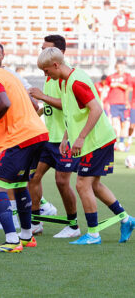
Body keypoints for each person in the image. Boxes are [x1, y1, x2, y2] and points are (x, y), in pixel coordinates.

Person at [38, 47, 134, 245]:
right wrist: (66, 137)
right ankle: (126, 219)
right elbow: (72, 113)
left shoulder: (76, 81)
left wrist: (80, 138)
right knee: (94, 185)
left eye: (47, 71)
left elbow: (96, 109)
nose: (46, 75)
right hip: (93, 140)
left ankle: (93, 234)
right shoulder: (65, 80)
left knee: (82, 184)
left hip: (97, 140)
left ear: (56, 65)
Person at [0, 45, 49, 253]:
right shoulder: (9, 75)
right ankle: (26, 236)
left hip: (19, 138)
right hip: (37, 134)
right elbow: (31, 103)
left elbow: (3, 102)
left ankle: (12, 241)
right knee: (19, 184)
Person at [28, 35, 81, 238]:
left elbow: (67, 105)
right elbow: (50, 105)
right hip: (47, 138)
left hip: (64, 139)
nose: (41, 52)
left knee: (61, 181)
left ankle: (73, 226)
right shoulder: (49, 74)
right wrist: (36, 113)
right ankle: (35, 222)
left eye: (45, 49)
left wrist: (41, 96)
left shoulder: (67, 75)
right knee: (33, 177)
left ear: (58, 53)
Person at [106, 60, 131, 151]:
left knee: (124, 124)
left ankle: (121, 141)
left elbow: (128, 88)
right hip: (113, 103)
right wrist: (105, 102)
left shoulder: (127, 77)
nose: (120, 69)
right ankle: (116, 142)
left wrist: (118, 84)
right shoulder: (110, 77)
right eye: (119, 67)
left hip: (124, 103)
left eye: (122, 67)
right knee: (115, 124)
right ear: (116, 67)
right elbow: (106, 89)